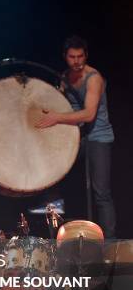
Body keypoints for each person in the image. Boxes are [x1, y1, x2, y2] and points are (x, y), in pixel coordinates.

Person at [36, 35, 116, 238]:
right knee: (52, 178)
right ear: (65, 57)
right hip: (77, 138)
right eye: (72, 57)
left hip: (98, 137)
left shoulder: (94, 78)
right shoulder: (65, 77)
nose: (77, 61)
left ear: (86, 56)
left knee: (101, 194)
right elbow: (61, 105)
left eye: (80, 56)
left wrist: (56, 118)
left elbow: (89, 114)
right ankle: (57, 234)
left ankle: (110, 244)